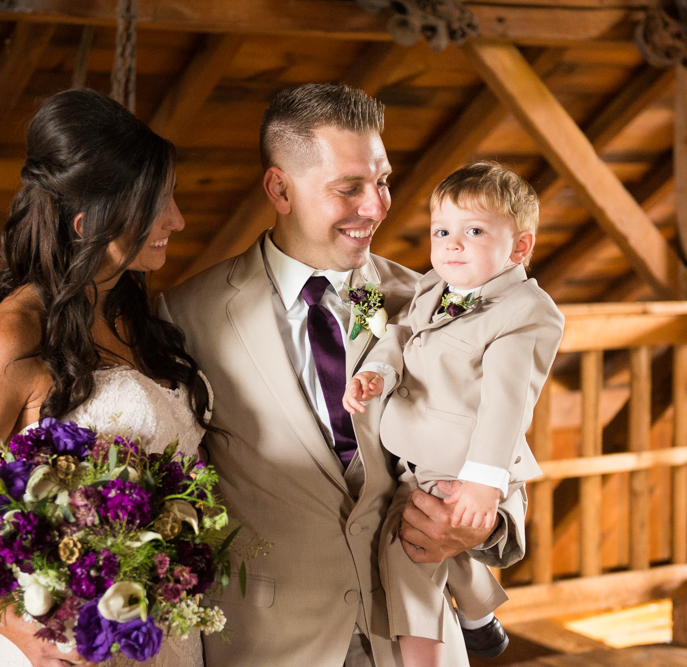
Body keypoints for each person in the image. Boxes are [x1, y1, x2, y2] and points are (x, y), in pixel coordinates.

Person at [158, 85, 528, 667]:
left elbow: (498, 447)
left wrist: (479, 528)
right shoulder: (188, 315)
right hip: (269, 642)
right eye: (348, 188)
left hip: (416, 637)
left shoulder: (431, 300)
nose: (377, 206)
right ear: (279, 188)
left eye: (381, 180)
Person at [0, 88, 212, 667]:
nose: (177, 220)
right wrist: (26, 632)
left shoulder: (134, 311)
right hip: (70, 645)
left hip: (167, 635)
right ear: (89, 224)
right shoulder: (6, 344)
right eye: (159, 204)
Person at [343, 162, 565, 666]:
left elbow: (506, 404)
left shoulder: (525, 312)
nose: (452, 244)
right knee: (430, 541)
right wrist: (378, 372)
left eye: (474, 231)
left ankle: (429, 656)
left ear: (520, 247)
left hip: (464, 460)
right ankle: (481, 620)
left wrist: (483, 482)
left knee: (408, 551)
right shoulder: (432, 287)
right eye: (442, 231)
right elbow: (398, 334)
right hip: (420, 457)